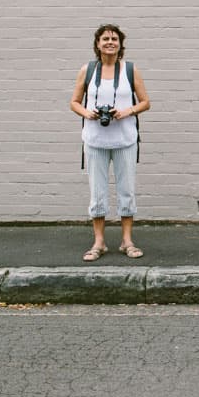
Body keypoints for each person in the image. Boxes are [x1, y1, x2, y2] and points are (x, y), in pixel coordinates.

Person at [70, 24, 150, 262]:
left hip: (124, 139)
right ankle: (99, 242)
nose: (110, 42)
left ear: (120, 44)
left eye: (114, 38)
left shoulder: (130, 70)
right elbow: (74, 102)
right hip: (95, 140)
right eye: (105, 38)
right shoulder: (88, 70)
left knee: (126, 191)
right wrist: (87, 113)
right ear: (97, 43)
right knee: (98, 193)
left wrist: (126, 112)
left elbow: (146, 102)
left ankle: (127, 241)